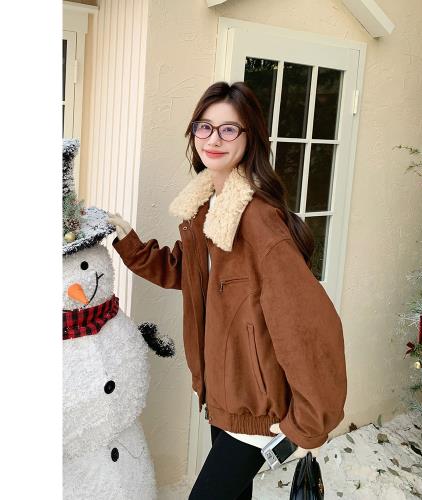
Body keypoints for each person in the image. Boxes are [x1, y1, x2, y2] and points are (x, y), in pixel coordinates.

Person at [107, 81, 347, 500]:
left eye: (228, 129)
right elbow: (185, 271)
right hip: (222, 393)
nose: (213, 139)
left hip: (257, 404)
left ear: (250, 137)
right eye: (204, 127)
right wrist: (129, 243)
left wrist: (309, 422)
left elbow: (309, 324)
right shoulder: (208, 207)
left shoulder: (257, 218)